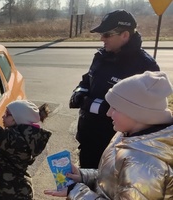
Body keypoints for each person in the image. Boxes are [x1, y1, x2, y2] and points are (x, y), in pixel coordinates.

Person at [45, 71, 173, 199]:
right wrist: (83, 176)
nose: (108, 113)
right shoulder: (127, 135)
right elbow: (113, 179)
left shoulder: (143, 167)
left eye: (115, 108)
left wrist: (76, 192)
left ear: (137, 114)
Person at [69, 9, 160, 168]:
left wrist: (90, 104)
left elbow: (145, 114)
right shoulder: (102, 56)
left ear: (125, 35)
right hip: (89, 140)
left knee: (104, 190)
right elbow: (87, 79)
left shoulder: (145, 67)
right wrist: (79, 92)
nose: (102, 39)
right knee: (85, 185)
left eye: (107, 35)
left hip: (117, 149)